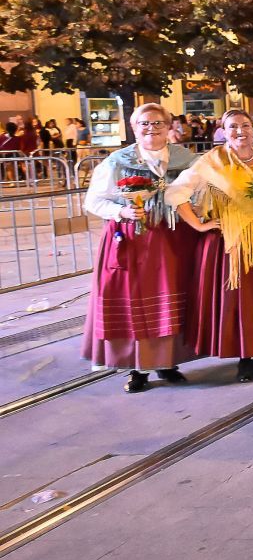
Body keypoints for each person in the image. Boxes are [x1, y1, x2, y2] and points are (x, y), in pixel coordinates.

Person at [169, 109, 253, 383]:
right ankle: (246, 357)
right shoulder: (211, 161)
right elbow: (175, 192)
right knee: (241, 302)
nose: (240, 131)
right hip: (231, 242)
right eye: (233, 127)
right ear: (223, 131)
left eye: (245, 125)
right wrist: (198, 224)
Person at [81, 103, 199, 391]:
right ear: (134, 128)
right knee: (137, 302)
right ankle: (138, 368)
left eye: (158, 123)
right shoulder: (116, 161)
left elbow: (204, 192)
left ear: (169, 126)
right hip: (133, 240)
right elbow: (94, 201)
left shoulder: (187, 159)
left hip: (174, 239)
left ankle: (169, 362)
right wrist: (122, 212)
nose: (151, 128)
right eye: (144, 123)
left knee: (172, 297)